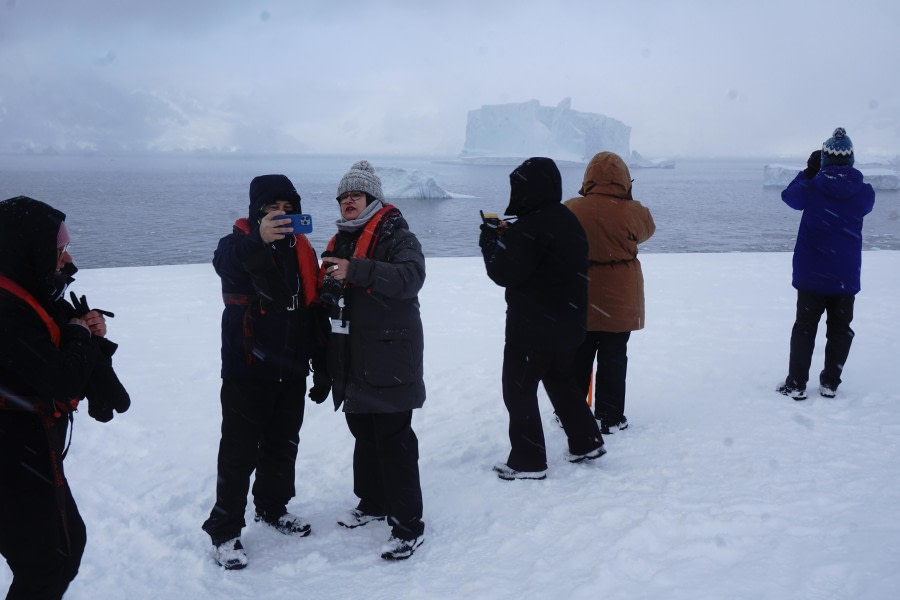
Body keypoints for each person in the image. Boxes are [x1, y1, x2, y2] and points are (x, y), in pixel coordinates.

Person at [1, 196, 129, 599]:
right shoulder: (6, 309)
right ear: (27, 249)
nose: (66, 257)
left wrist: (83, 333)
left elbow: (108, 397)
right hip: (14, 454)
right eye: (58, 249)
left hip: (29, 451)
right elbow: (60, 379)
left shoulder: (29, 289)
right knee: (51, 560)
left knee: (62, 549)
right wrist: (79, 335)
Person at [202, 174, 330, 569]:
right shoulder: (236, 244)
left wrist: (321, 365)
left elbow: (313, 309)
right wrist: (259, 238)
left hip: (290, 368)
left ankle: (273, 508)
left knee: (282, 444)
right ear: (257, 212)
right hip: (247, 368)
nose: (281, 216)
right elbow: (227, 265)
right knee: (238, 452)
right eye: (273, 209)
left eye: (288, 210)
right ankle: (225, 531)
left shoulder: (302, 249)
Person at [319, 160, 426, 561]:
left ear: (373, 199)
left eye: (356, 195)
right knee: (363, 432)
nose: (348, 201)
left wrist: (358, 270)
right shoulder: (341, 240)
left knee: (394, 440)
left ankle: (408, 525)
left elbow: (411, 277)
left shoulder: (397, 233)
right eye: (344, 196)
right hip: (353, 354)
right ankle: (372, 502)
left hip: (390, 354)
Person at [479, 157, 605, 481]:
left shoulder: (531, 227)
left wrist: (491, 239)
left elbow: (503, 271)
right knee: (562, 382)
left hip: (532, 330)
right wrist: (513, 234)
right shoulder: (565, 219)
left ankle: (528, 460)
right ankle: (586, 441)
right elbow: (543, 256)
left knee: (518, 391)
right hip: (569, 325)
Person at [777, 128, 875, 401]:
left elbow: (789, 197)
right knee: (840, 330)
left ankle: (796, 384)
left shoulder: (812, 188)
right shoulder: (864, 193)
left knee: (804, 328)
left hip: (812, 275)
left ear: (824, 160)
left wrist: (809, 172)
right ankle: (830, 383)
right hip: (844, 276)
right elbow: (863, 201)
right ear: (851, 159)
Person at [564, 152, 656, 434]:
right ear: (624, 179)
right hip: (620, 295)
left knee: (578, 355)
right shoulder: (634, 211)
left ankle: (572, 412)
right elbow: (647, 232)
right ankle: (610, 416)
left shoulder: (571, 208)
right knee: (614, 357)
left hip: (580, 292)